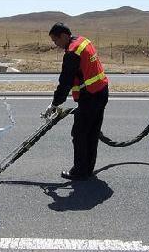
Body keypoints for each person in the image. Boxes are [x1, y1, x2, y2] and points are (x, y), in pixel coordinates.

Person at [44, 22, 109, 180]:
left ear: (64, 36)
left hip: (90, 97)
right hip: (101, 91)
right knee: (91, 134)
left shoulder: (72, 53)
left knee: (79, 134)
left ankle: (79, 171)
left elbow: (65, 82)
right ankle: (88, 169)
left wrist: (54, 104)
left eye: (56, 40)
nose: (56, 44)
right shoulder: (83, 41)